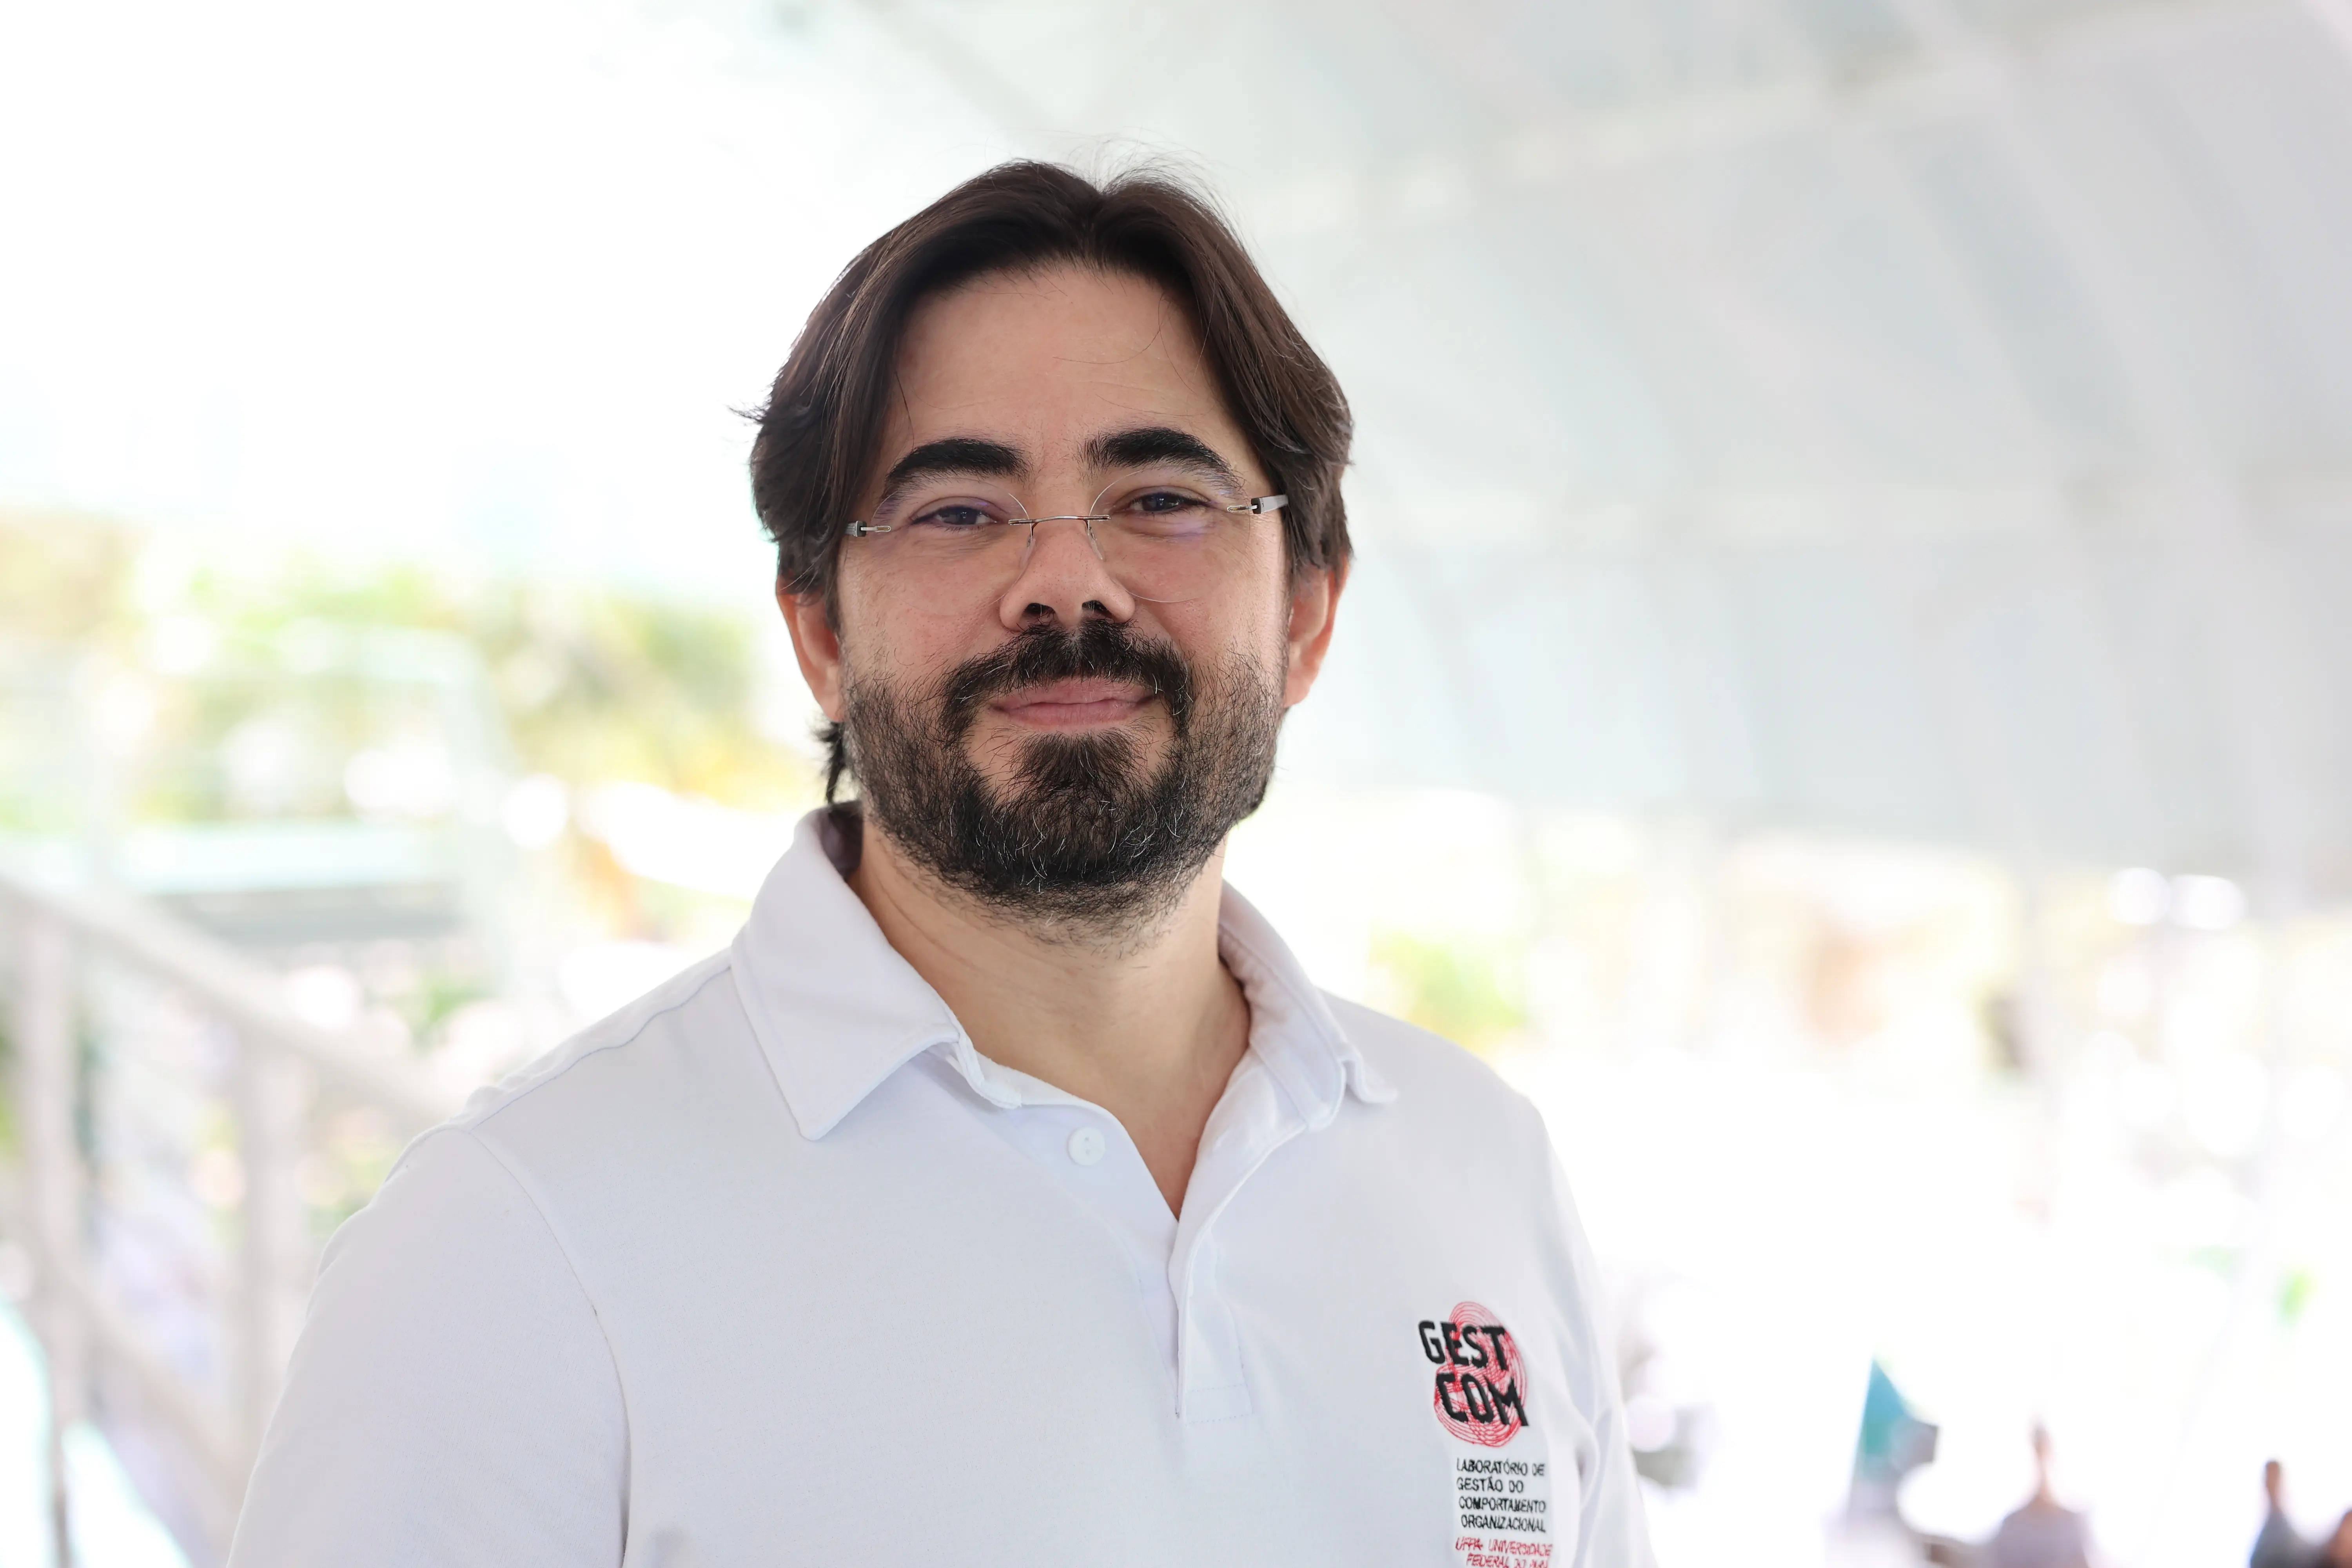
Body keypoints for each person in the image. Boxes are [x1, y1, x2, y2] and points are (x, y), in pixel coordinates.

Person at [223, 162, 1653, 1566]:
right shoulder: (511, 1245)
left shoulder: (1480, 1170)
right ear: (820, 633)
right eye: (959, 511)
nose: (1066, 580)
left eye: (1160, 495)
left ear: (1306, 616)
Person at [1985, 1425, 2092, 1568]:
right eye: (2037, 1454)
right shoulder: (2011, 1526)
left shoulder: (2072, 1522)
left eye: (2044, 1454)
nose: (2041, 1466)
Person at [2252, 1460, 2312, 1568]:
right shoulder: (2267, 1528)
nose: (2272, 1485)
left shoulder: (2295, 1525)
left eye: (2275, 1479)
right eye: (2269, 1480)